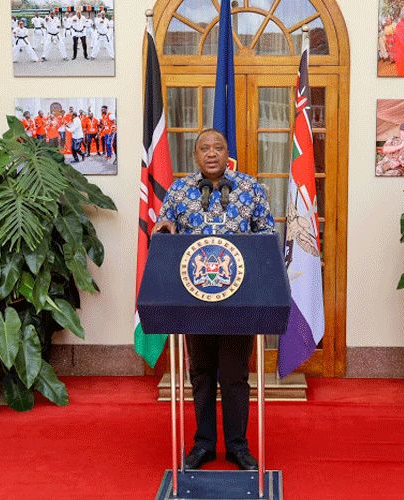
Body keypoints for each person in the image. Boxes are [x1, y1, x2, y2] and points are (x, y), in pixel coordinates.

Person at [152, 129, 274, 472]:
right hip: (194, 301)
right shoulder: (179, 190)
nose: (211, 153)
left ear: (226, 153)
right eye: (204, 148)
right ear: (195, 156)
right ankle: (203, 444)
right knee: (202, 373)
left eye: (218, 147)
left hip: (239, 300)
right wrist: (164, 230)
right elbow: (163, 229)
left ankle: (237, 446)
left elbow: (266, 236)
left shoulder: (250, 188)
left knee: (235, 375)